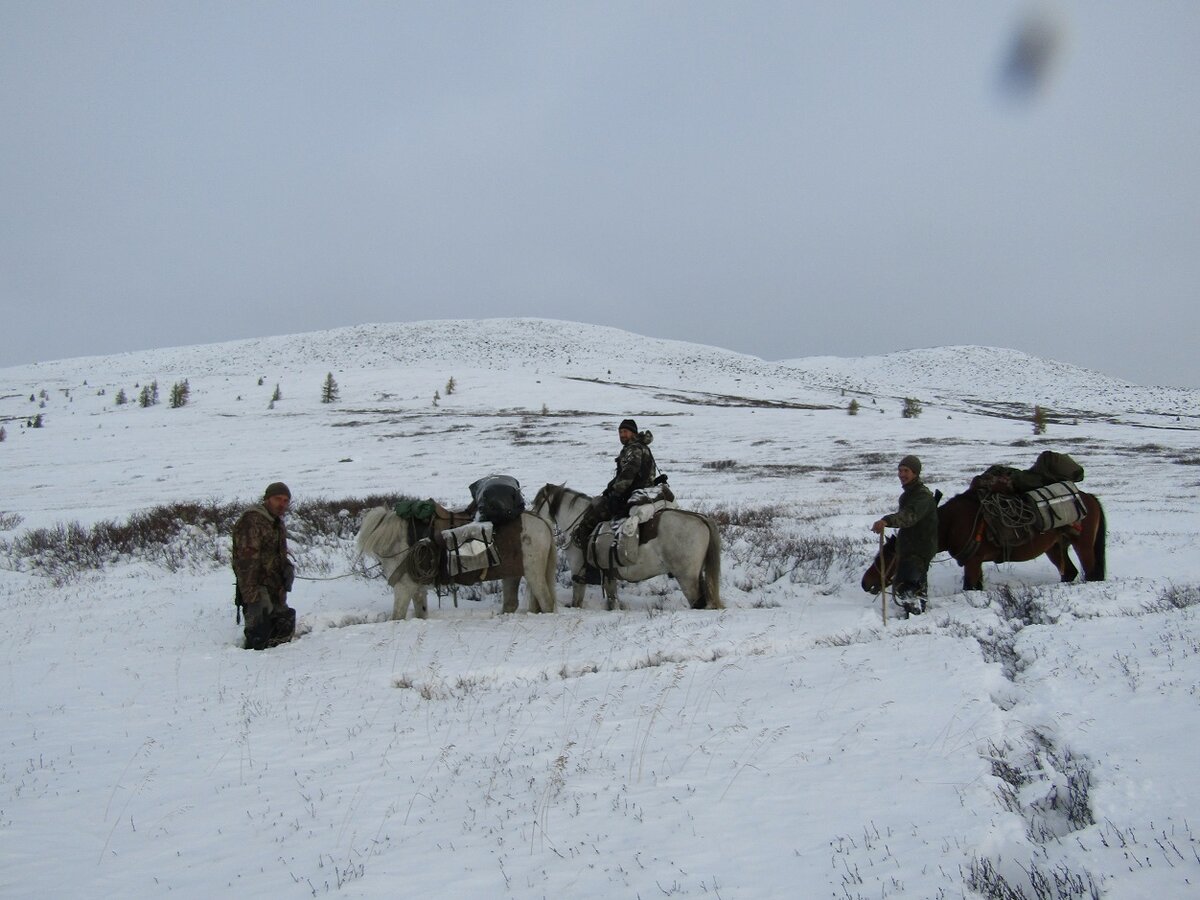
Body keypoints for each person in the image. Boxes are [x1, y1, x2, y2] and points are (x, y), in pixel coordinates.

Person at [573, 419, 658, 549]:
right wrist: (611, 486)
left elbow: (628, 474)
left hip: (633, 493)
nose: (622, 435)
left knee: (591, 519)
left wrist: (615, 493)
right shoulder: (639, 447)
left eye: (625, 431)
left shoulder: (634, 449)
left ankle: (589, 564)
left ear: (633, 433)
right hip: (642, 491)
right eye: (620, 432)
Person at [232, 481, 296, 649]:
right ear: (267, 498)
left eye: (285, 500)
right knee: (259, 638)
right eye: (277, 499)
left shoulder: (275, 522)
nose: (281, 504)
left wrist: (287, 567)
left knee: (282, 632)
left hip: (275, 586)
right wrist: (252, 597)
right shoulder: (252, 521)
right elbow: (246, 562)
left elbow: (276, 553)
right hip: (257, 587)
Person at [871, 455, 938, 615]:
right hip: (909, 548)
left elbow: (910, 516)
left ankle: (915, 621)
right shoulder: (909, 493)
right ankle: (915, 617)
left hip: (918, 549)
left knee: (909, 589)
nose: (902, 474)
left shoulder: (922, 496)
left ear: (915, 473)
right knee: (909, 587)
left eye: (906, 470)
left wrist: (887, 520)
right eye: (900, 470)